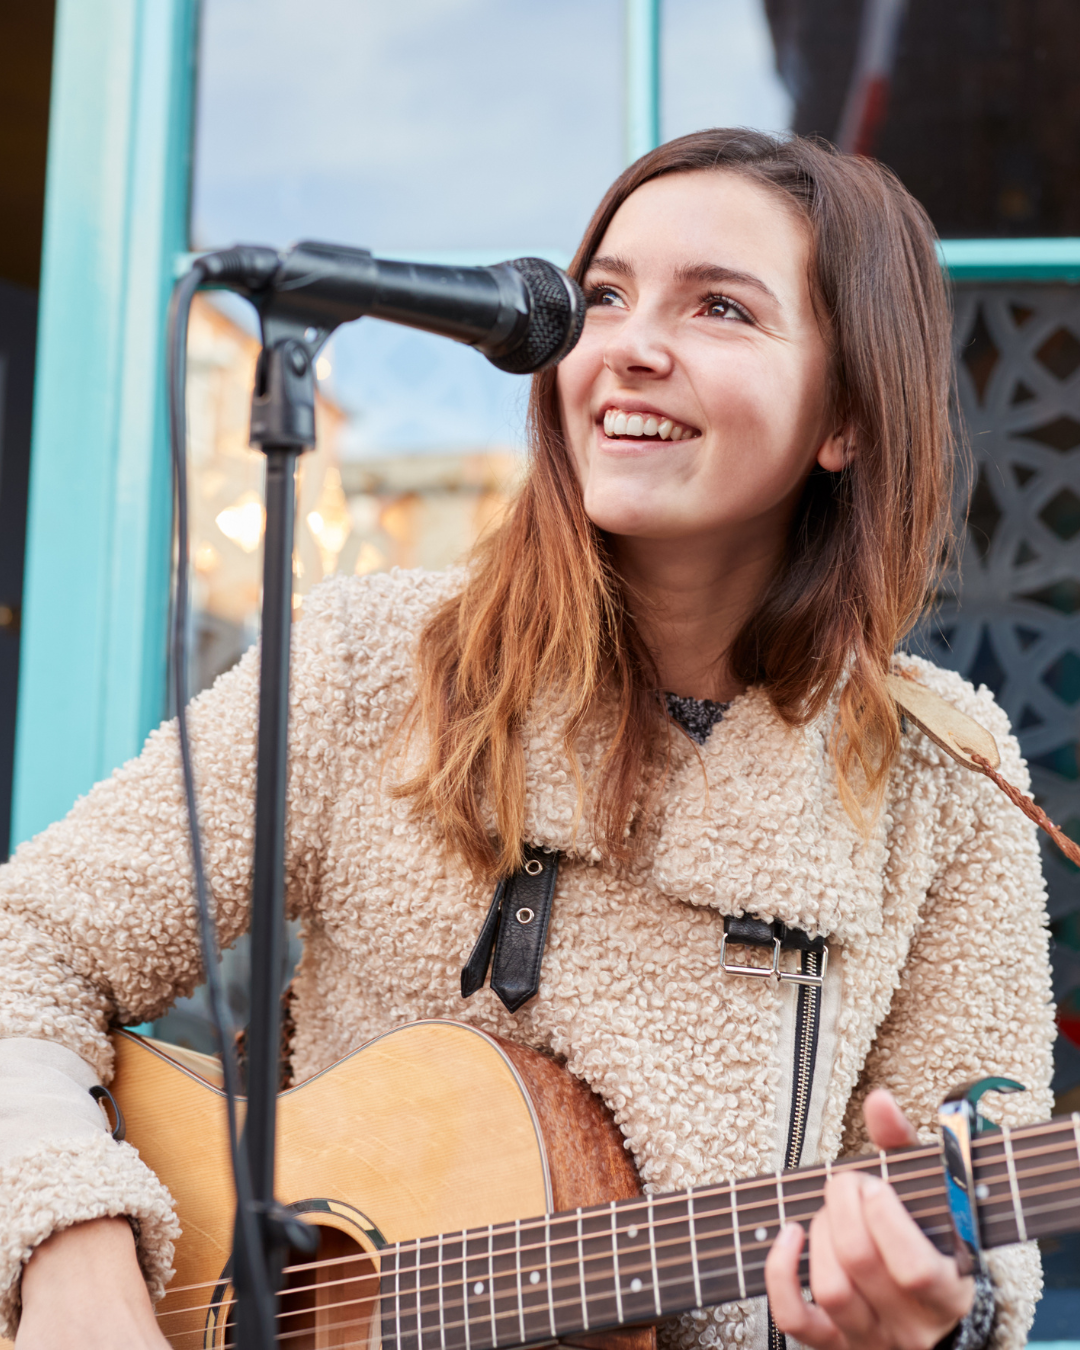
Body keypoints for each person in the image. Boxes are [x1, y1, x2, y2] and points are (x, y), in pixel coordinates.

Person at [0, 129, 1055, 1350]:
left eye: (719, 307)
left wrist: (933, 1323)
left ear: (851, 417)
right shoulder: (369, 663)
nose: (628, 345)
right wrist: (69, 1252)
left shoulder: (946, 774)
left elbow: (983, 1246)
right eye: (603, 296)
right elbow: (26, 950)